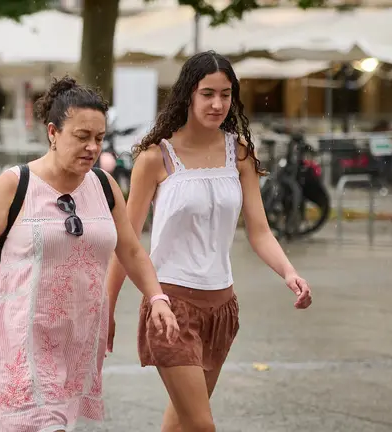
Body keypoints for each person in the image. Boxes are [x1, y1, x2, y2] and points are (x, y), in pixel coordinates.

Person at [0, 76, 180, 432]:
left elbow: (131, 251)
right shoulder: (15, 186)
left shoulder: (105, 187)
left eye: (98, 138)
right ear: (53, 132)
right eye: (81, 137)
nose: (92, 147)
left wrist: (156, 297)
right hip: (23, 335)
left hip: (77, 337)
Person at [104, 51, 313, 432]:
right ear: (188, 95)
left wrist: (288, 272)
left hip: (222, 309)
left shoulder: (241, 155)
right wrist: (108, 306)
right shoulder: (156, 158)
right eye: (207, 94)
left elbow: (260, 230)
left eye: (226, 94)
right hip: (171, 307)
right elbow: (128, 242)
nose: (218, 104)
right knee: (202, 425)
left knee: (182, 423)